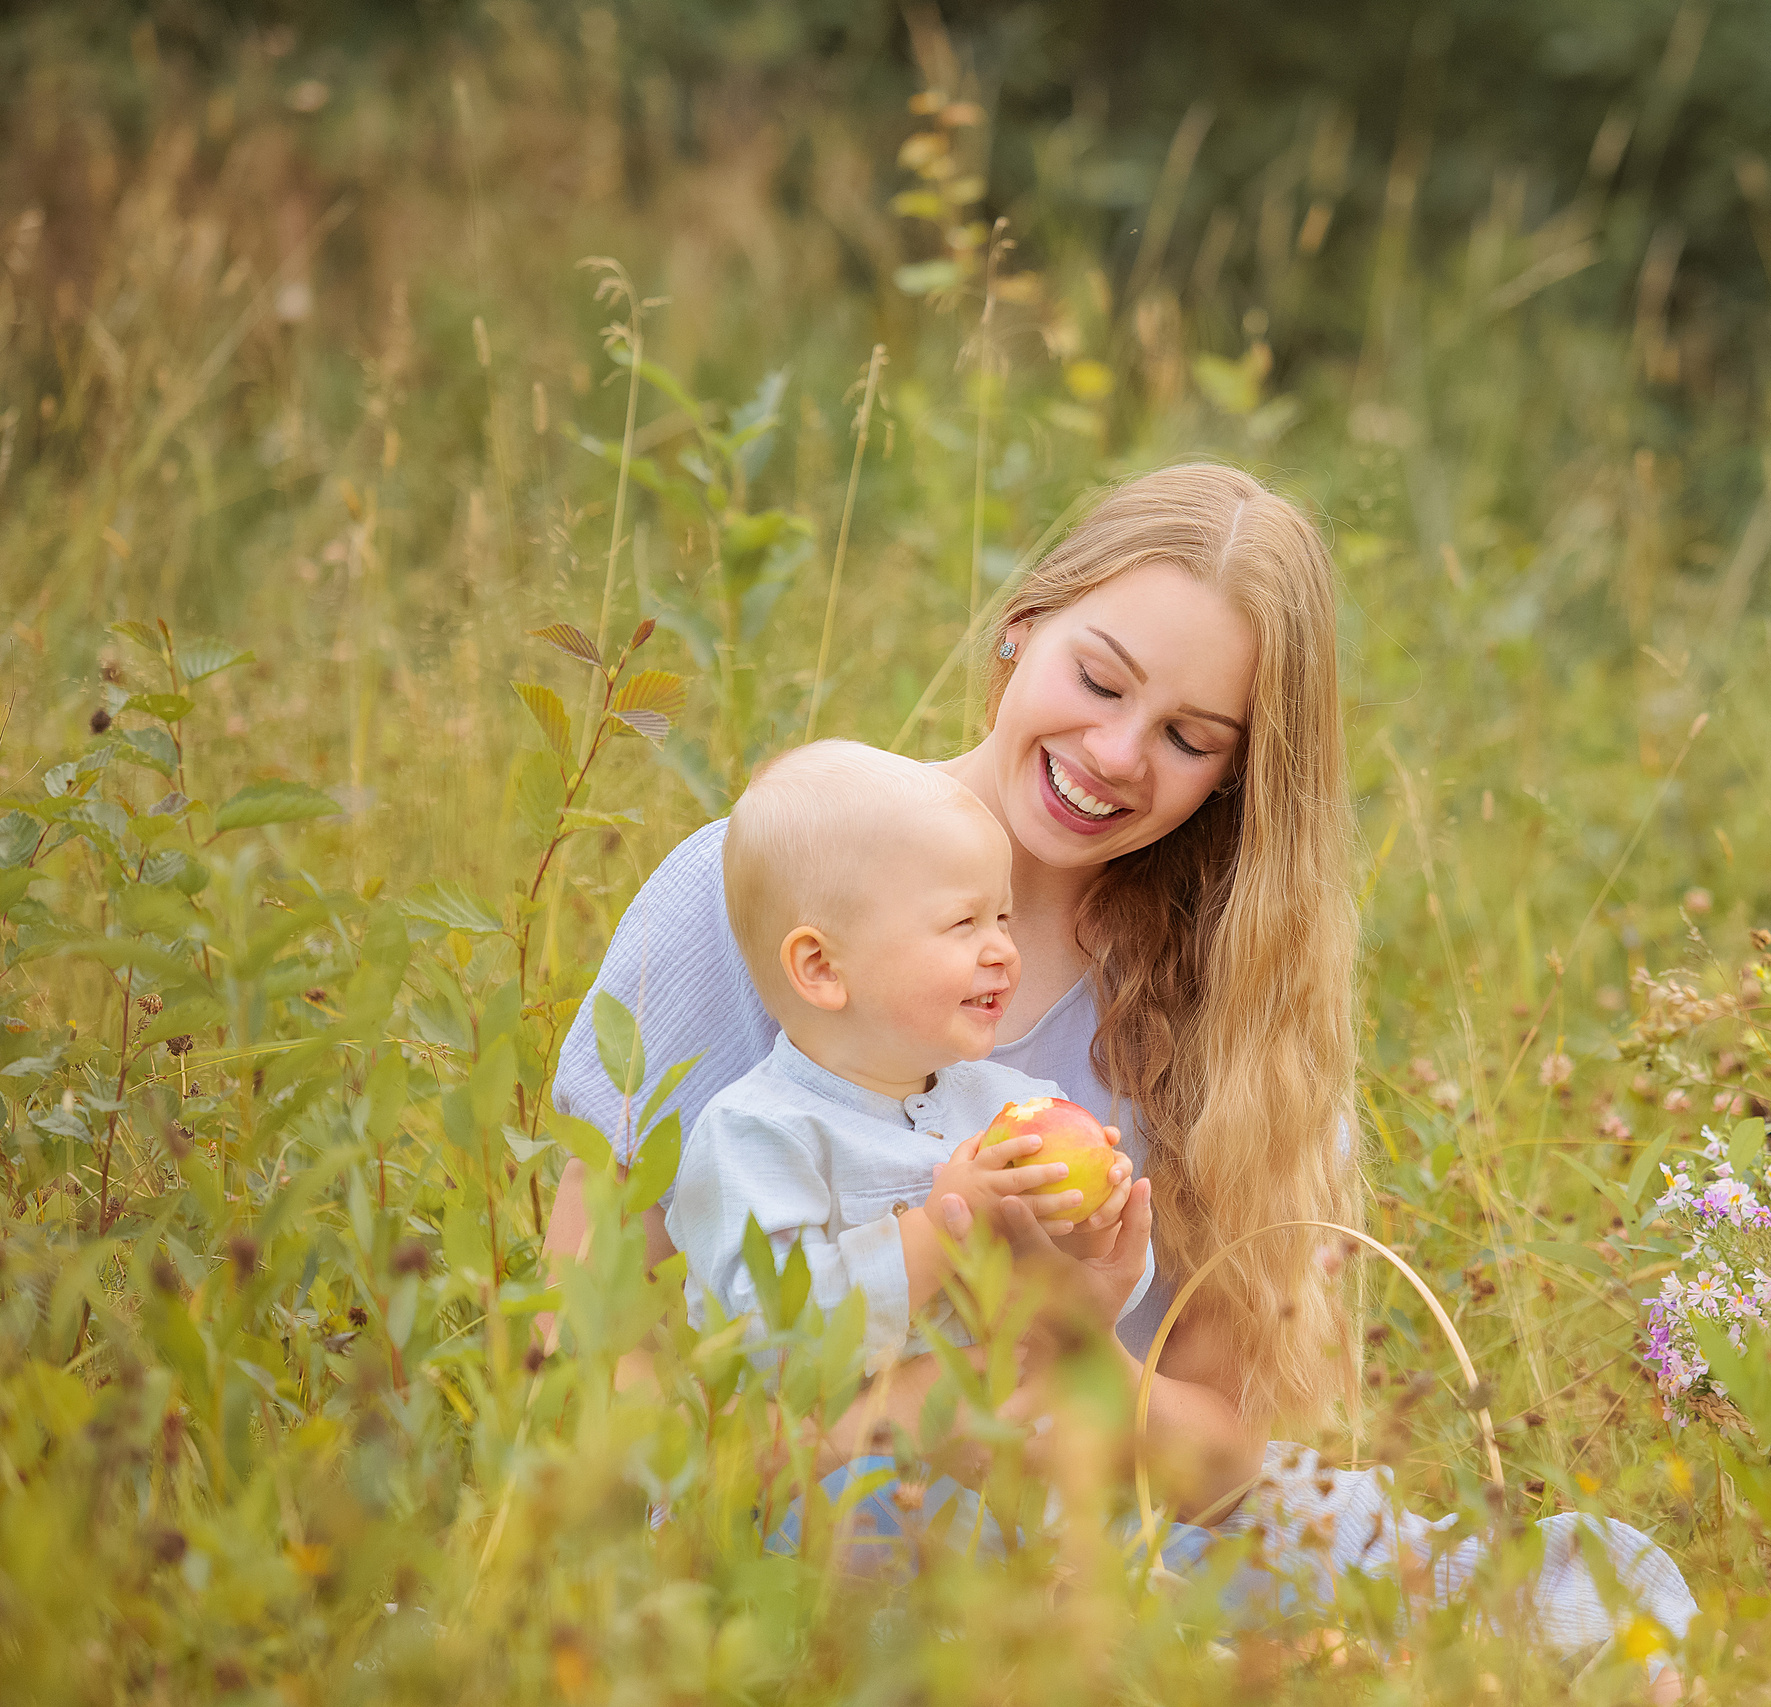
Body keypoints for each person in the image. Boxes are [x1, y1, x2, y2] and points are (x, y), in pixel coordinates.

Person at [545, 463, 1695, 1679]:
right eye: (1098, 679)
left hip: (1108, 1515)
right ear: (1022, 626)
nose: (1113, 753)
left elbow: (1228, 1458)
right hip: (797, 1508)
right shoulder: (769, 886)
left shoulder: (1240, 1006)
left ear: (1234, 773)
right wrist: (888, 1417)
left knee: (1537, 1588)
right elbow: (585, 1332)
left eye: (1189, 739)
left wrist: (1074, 1351)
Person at [662, 740, 1150, 1371]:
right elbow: (764, 1338)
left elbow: (1077, 1307)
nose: (1002, 950)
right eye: (963, 923)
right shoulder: (757, 1135)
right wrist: (941, 1230)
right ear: (822, 967)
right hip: (848, 1437)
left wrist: (1086, 1232)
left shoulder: (1011, 1108)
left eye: (1003, 918)